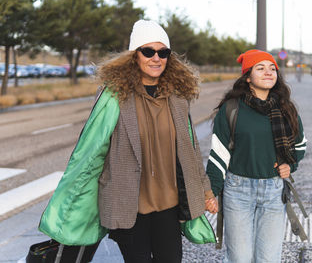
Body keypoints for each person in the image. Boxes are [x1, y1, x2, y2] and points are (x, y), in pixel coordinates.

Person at [39, 20, 216, 263]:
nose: (156, 58)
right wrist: (71, 203)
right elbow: (91, 152)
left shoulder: (177, 98)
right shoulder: (113, 97)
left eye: (163, 52)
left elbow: (191, 150)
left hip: (169, 205)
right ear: (135, 55)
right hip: (127, 204)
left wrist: (206, 190)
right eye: (148, 51)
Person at [205, 49, 307, 263]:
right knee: (239, 258)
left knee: (268, 258)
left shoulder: (286, 109)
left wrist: (290, 163)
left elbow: (299, 144)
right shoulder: (231, 109)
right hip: (237, 191)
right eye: (260, 68)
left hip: (273, 191)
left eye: (272, 68)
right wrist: (211, 191)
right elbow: (219, 155)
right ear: (248, 77)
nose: (268, 72)